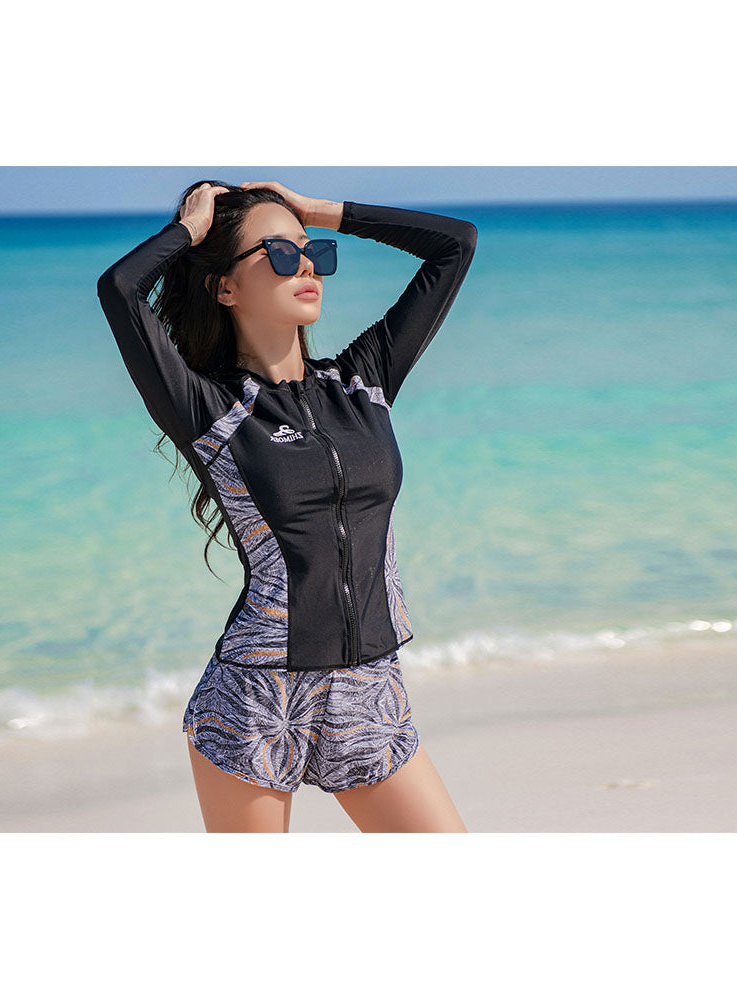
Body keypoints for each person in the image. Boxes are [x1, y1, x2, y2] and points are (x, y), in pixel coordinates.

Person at [97, 179, 477, 832]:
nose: (305, 265)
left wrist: (317, 211)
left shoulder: (362, 382)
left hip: (369, 691)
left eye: (312, 251)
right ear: (225, 287)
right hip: (256, 699)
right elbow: (120, 289)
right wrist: (191, 229)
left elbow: (455, 245)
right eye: (277, 252)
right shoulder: (212, 410)